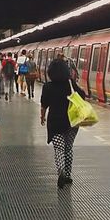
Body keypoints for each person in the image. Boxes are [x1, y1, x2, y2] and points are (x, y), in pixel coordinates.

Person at [40, 57, 85, 189]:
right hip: (72, 121)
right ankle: (68, 174)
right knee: (68, 147)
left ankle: (61, 170)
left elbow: (44, 105)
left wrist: (42, 117)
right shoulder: (70, 84)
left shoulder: (47, 87)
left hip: (55, 121)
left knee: (59, 148)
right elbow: (82, 95)